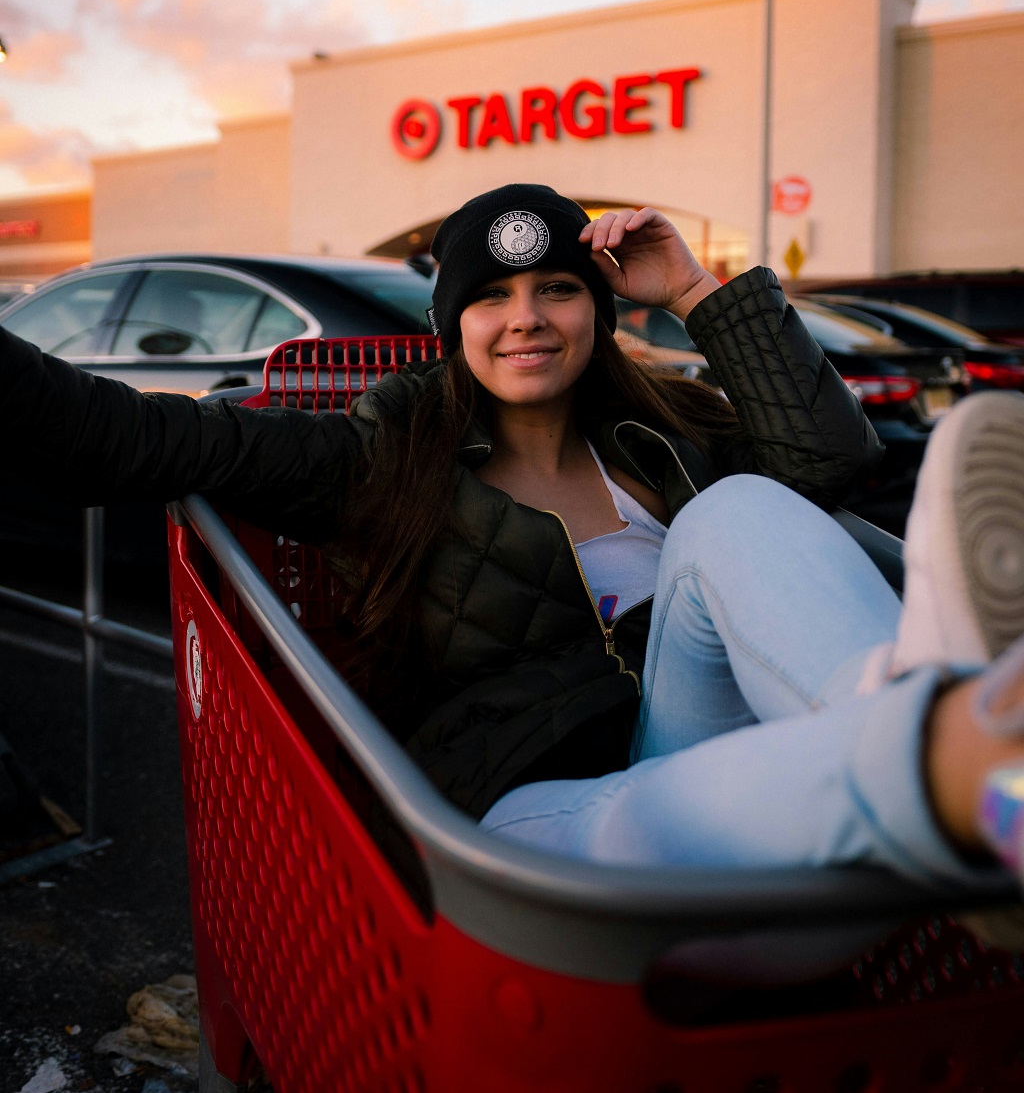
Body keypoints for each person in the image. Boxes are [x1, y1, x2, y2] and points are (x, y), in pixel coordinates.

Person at [3, 182, 1024, 895]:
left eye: (556, 289)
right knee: (636, 815)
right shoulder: (383, 455)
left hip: (766, 817)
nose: (524, 318)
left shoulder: (662, 440)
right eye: (489, 297)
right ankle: (962, 747)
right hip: (544, 844)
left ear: (598, 307)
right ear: (452, 324)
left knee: (739, 512)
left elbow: (830, 466)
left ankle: (935, 737)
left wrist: (696, 293)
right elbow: (122, 437)